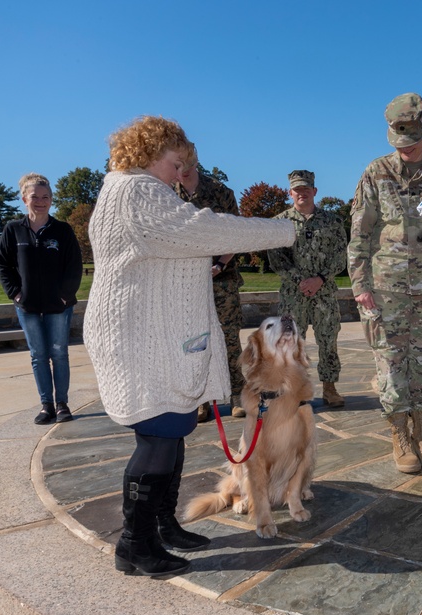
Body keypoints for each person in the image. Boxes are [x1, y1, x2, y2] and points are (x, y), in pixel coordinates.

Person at [84, 116, 294, 578]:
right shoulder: (136, 191)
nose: (181, 175)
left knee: (171, 430)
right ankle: (134, 545)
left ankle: (161, 525)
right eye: (176, 163)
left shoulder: (133, 191)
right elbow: (207, 229)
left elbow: (177, 247)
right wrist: (286, 227)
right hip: (142, 340)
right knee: (159, 436)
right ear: (148, 152)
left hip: (148, 335)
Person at [348, 93, 422, 473]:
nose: (405, 149)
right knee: (390, 365)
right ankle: (400, 436)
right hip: (386, 289)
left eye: (412, 141)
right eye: (398, 142)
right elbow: (360, 233)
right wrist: (359, 284)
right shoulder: (376, 172)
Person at [0, 173, 83, 425]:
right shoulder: (14, 230)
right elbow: (2, 265)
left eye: (46, 197)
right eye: (35, 197)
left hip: (59, 306)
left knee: (59, 354)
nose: (41, 201)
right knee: (38, 355)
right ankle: (46, 405)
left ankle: (62, 404)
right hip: (28, 305)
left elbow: (74, 266)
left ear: (51, 200)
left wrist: (65, 295)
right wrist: (16, 292)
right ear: (25, 198)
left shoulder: (62, 230)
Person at [174, 156, 247, 421]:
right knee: (195, 342)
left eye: (187, 165)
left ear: (196, 163)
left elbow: (235, 233)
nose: (182, 171)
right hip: (187, 282)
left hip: (222, 279)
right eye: (177, 165)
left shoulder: (219, 191)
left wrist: (219, 264)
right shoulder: (168, 192)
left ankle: (238, 395)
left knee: (229, 338)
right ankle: (203, 400)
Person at [268, 170, 348, 407]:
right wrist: (302, 281)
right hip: (294, 294)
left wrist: (320, 279)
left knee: (328, 340)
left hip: (324, 292)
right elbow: (277, 260)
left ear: (314, 191)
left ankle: (330, 388)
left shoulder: (332, 222)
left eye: (306, 189)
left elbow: (340, 256)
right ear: (289, 192)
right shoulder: (279, 223)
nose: (301, 193)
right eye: (297, 189)